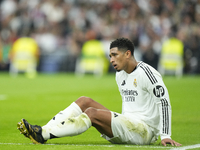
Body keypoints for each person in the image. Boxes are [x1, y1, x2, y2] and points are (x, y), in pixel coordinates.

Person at [17, 37, 181, 147]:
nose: (111, 60)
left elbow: (164, 102)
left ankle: (44, 135)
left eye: (115, 55)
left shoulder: (148, 74)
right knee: (84, 101)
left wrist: (165, 135)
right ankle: (40, 130)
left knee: (92, 113)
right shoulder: (120, 75)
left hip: (144, 131)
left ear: (128, 53)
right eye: (110, 56)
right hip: (127, 125)